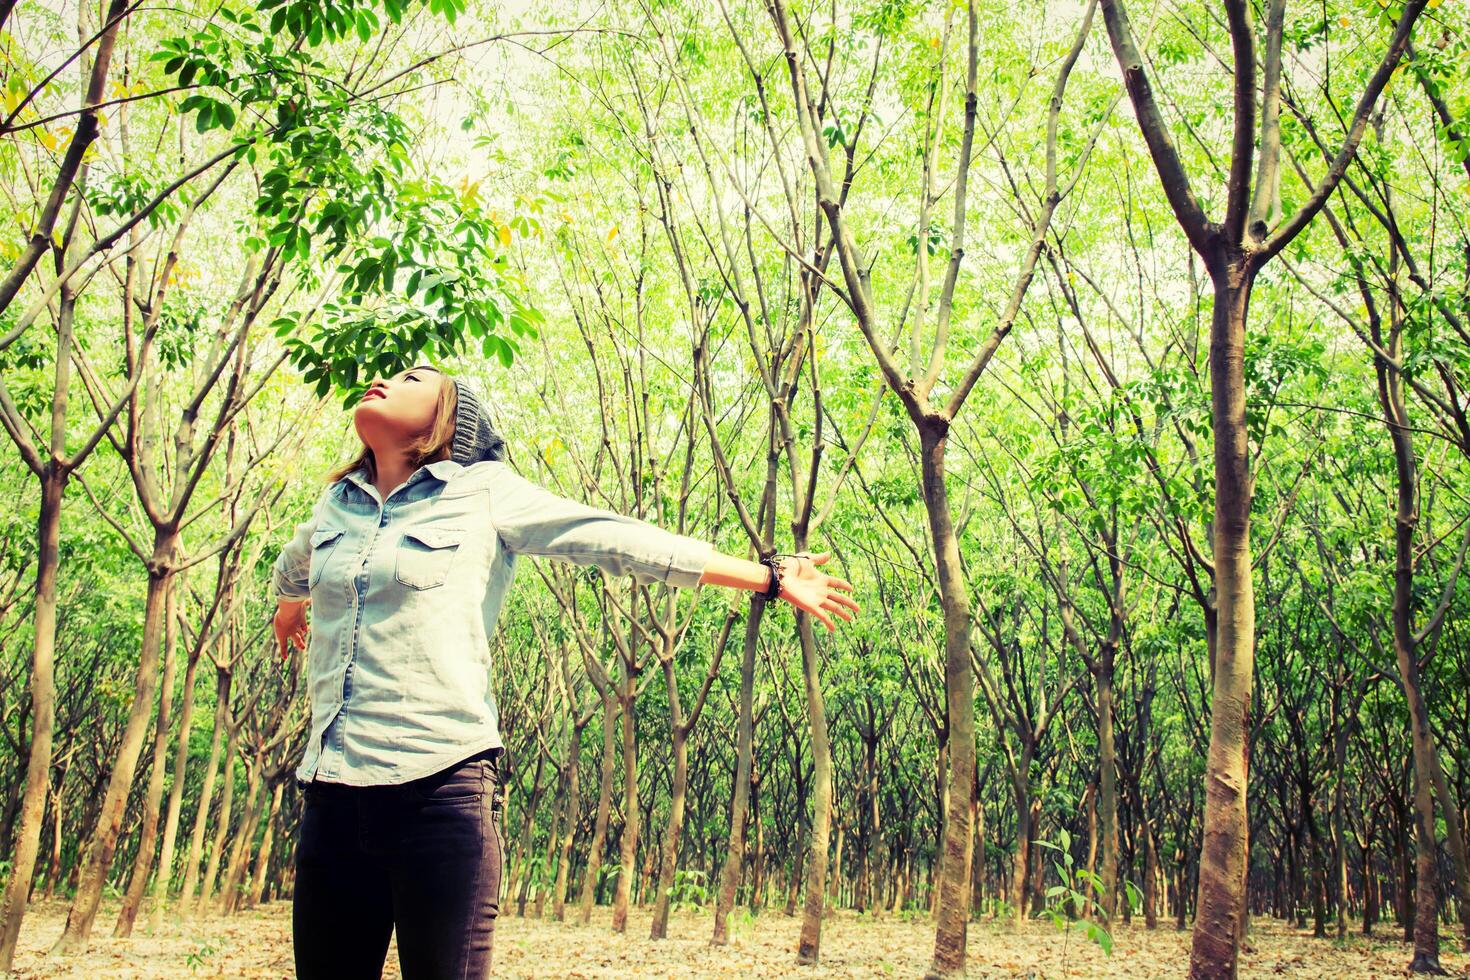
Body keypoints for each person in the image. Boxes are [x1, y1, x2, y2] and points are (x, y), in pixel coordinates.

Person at [271, 364, 858, 979]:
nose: (386, 381)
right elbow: (295, 564)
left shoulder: (483, 490)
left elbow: (615, 539)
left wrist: (767, 576)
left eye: (414, 378)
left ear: (450, 418)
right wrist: (293, 607)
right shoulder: (337, 505)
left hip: (438, 793)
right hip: (331, 798)